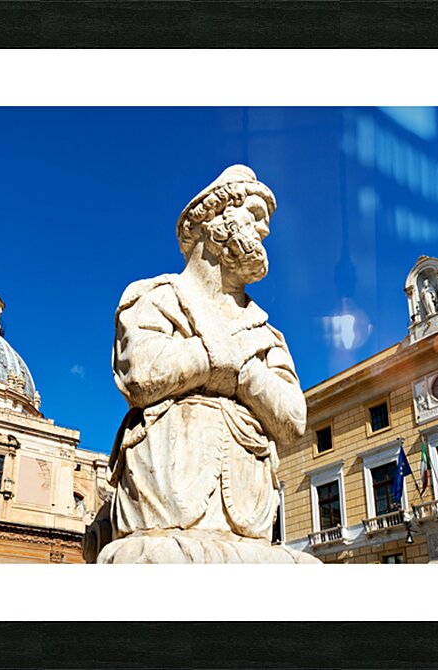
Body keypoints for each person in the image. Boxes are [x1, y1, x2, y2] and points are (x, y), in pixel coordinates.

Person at [97, 165, 315, 563]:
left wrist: (242, 374)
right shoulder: (155, 297)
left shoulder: (267, 331)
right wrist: (221, 357)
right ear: (216, 225)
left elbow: (293, 419)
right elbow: (141, 376)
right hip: (167, 494)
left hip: (248, 510)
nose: (264, 232)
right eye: (254, 217)